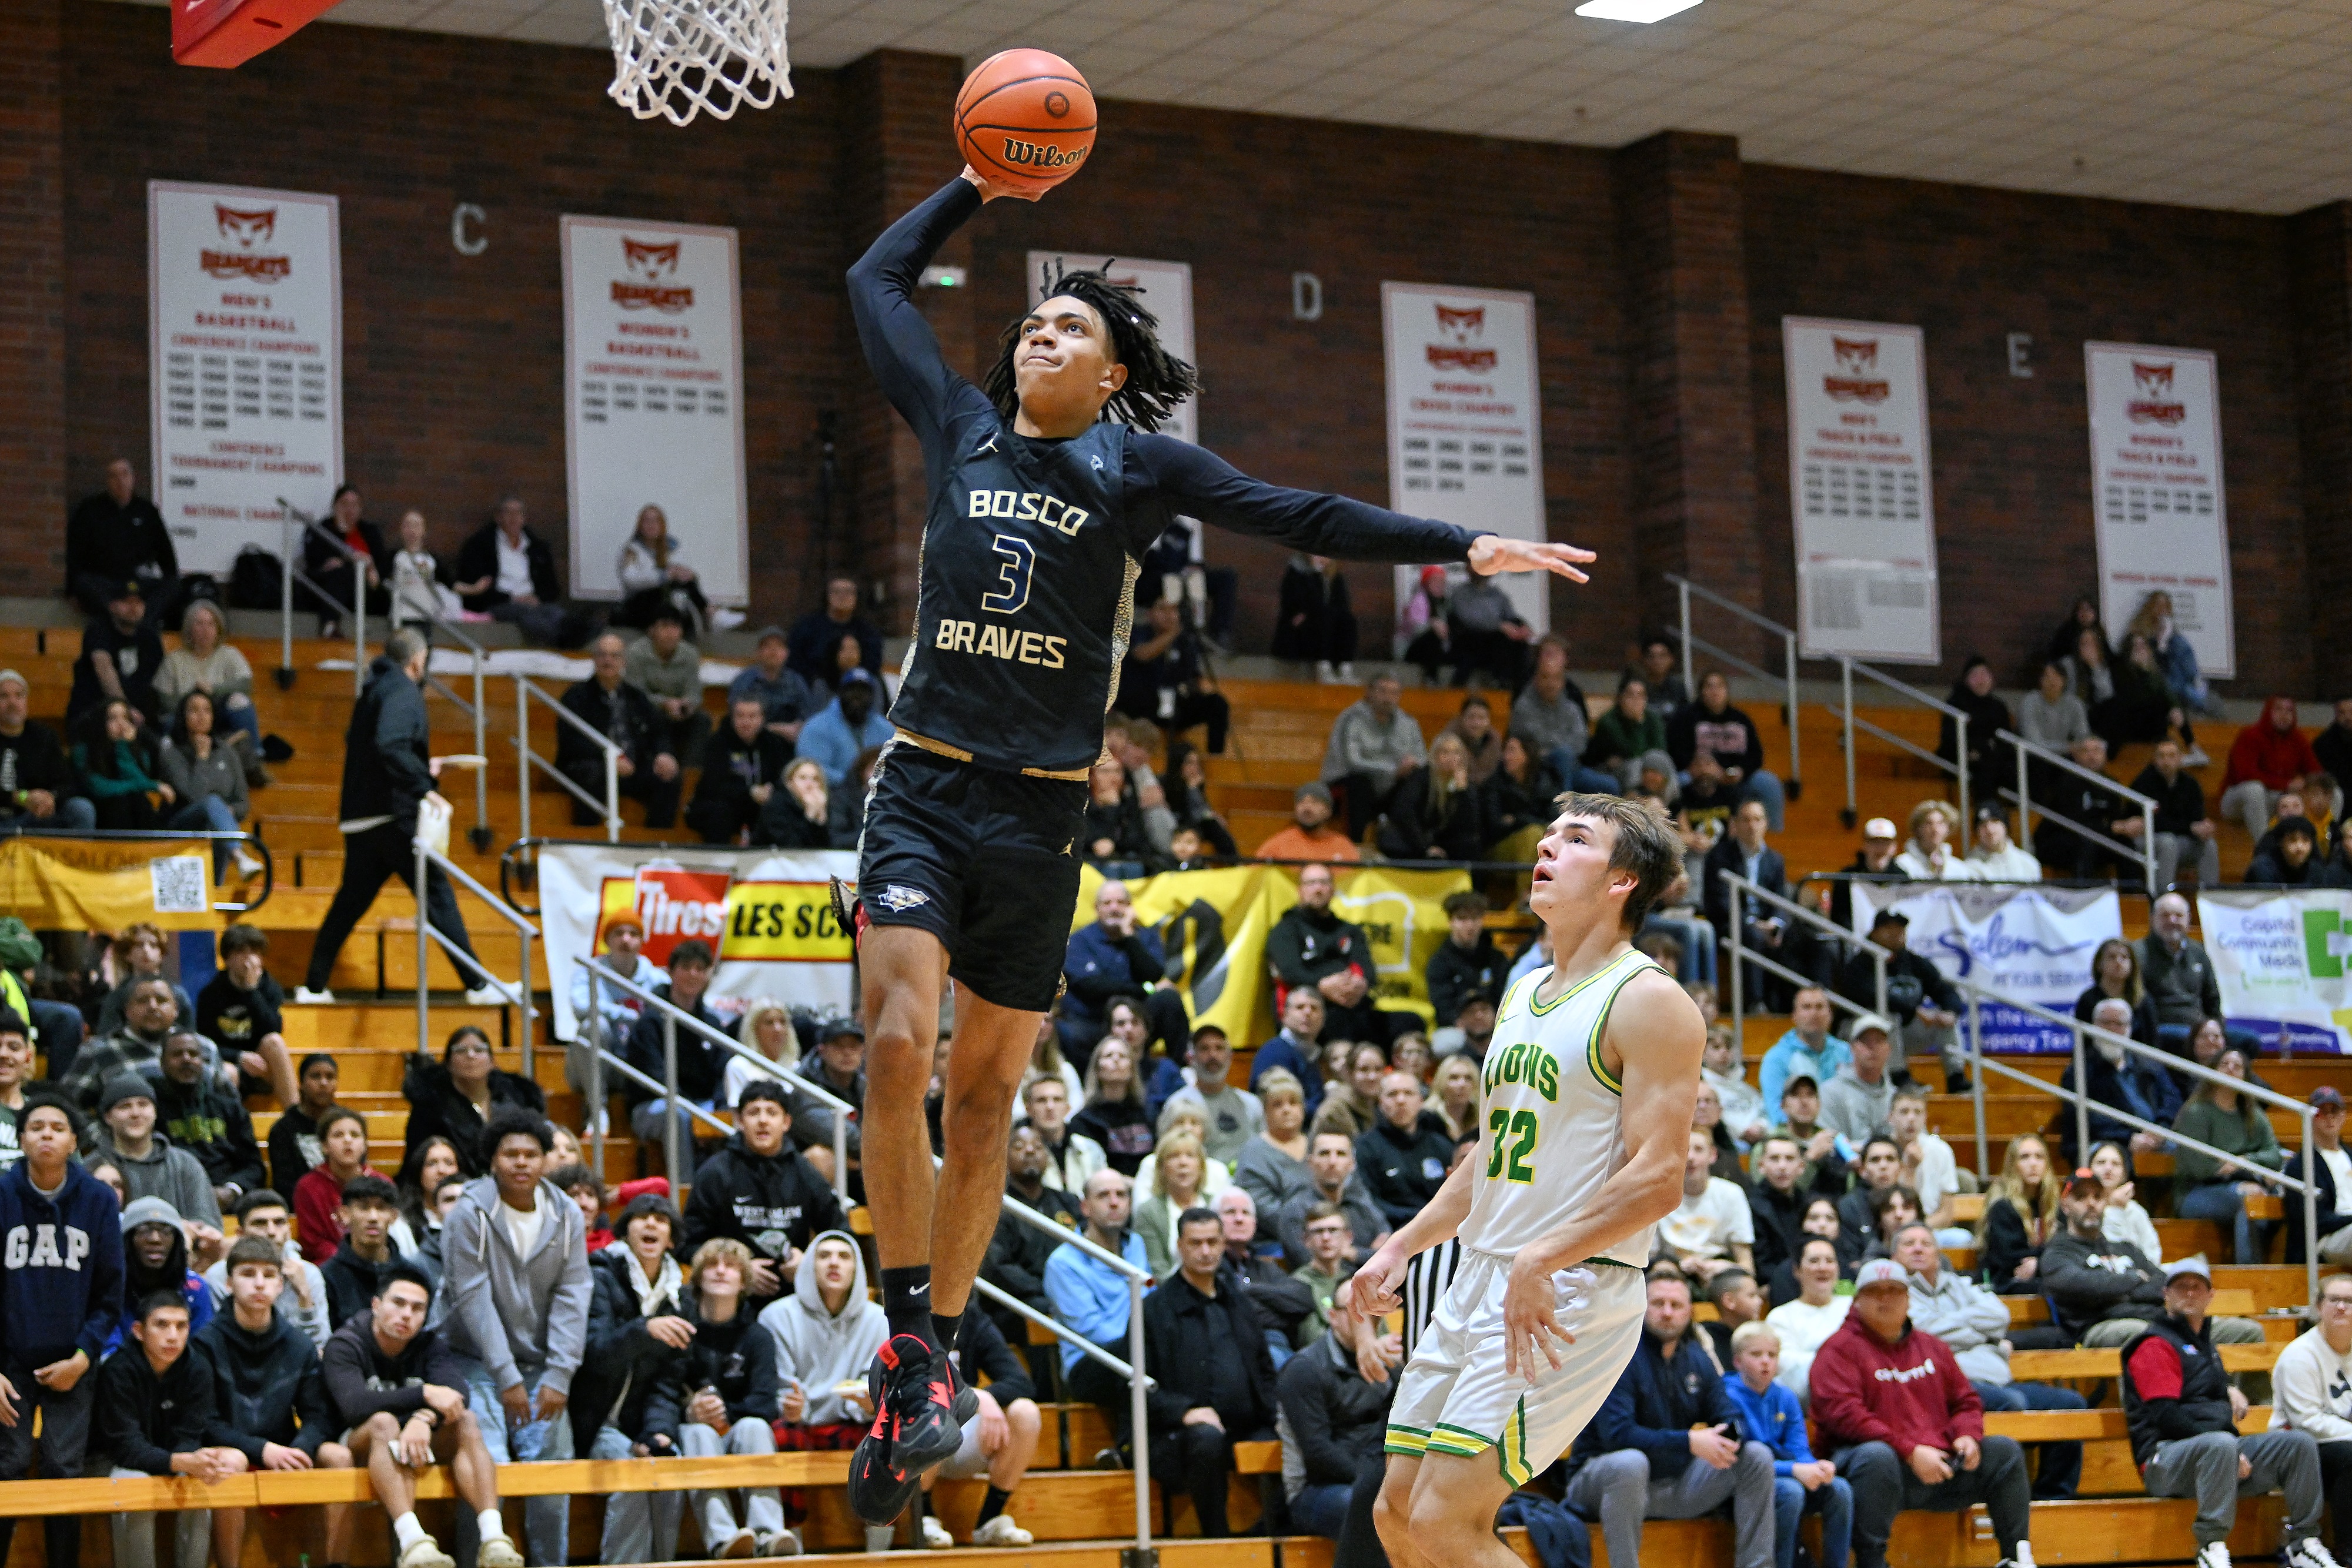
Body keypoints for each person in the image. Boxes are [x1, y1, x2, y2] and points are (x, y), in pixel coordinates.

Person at [840, 167, 1589, 1526]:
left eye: (1066, 330)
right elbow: (871, 284)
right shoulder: (957, 424)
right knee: (895, 1044)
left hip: (1044, 813)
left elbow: (1300, 512)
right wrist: (972, 183)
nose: (1035, 339)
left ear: (1113, 369)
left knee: (984, 1095)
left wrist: (1457, 546)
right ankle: (906, 1344)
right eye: (1029, 326)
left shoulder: (1134, 469)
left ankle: (937, 1351)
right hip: (928, 791)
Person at [1351, 796, 1702, 1568]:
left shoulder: (1648, 998)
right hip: (1485, 1272)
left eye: (1575, 837)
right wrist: (1402, 1244)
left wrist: (1543, 1255)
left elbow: (1658, 1176)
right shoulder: (1522, 991)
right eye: (1548, 834)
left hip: (1568, 1282)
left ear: (1622, 879)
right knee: (1398, 1511)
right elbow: (1488, 1153)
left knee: (1446, 1519)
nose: (1546, 844)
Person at [295, 630, 496, 1005]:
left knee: (349, 904)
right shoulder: (403, 691)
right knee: (437, 894)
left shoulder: (373, 690)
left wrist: (426, 766)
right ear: (418, 662)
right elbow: (390, 744)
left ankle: (314, 987)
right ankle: (479, 987)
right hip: (393, 816)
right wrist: (424, 786)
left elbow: (375, 747)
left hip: (361, 816)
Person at [1809, 1258, 2035, 1568]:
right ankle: (1871, 1562)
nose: (1886, 1298)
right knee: (1876, 1457)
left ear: (1909, 1299)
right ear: (1858, 1301)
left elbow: (1966, 1400)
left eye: (1895, 1290)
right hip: (1877, 1471)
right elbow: (1845, 1416)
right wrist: (1910, 1451)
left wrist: (1967, 1435)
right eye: (1876, 1291)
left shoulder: (1932, 1347)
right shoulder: (1837, 1351)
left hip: (1939, 1465)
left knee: (2004, 1451)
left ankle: (2016, 1557)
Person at [442, 1106, 593, 1567]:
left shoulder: (566, 1213)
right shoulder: (469, 1212)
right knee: (489, 1477)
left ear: (547, 1160)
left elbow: (575, 1292)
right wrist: (505, 1374)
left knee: (550, 1486)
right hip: (476, 1362)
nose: (522, 1162)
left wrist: (560, 1374)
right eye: (511, 1154)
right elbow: (473, 1297)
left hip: (544, 1366)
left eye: (532, 1153)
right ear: (493, 1160)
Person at [2124, 1258, 2335, 1568]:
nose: (2190, 1293)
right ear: (2165, 1294)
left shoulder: (2202, 1343)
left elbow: (2199, 1382)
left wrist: (2226, 1389)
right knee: (2221, 1444)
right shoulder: (2154, 1345)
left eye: (2198, 1287)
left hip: (2213, 1453)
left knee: (2298, 1444)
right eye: (2181, 1286)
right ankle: (2211, 1546)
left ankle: (2303, 1542)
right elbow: (2165, 1415)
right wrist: (2228, 1448)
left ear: (2211, 1296)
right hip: (2163, 1460)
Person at [1562, 1269, 1776, 1568]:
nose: (1667, 1313)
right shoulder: (1618, 1355)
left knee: (1756, 1456)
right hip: (1602, 1483)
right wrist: (1689, 1441)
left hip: (1673, 1486)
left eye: (1676, 1306)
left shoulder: (1697, 1358)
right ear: (1641, 1306)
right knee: (1629, 1464)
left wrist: (1730, 1437)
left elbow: (1731, 1417)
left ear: (1690, 1312)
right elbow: (1618, 1436)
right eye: (1658, 1303)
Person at [322, 1261, 526, 1568]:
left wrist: (424, 1418)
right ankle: (413, 1543)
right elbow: (353, 1406)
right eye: (398, 1303)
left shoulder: (430, 1345)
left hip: (418, 1439)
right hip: (360, 1443)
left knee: (467, 1420)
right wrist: (423, 1394)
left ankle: (493, 1538)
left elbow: (459, 1396)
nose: (407, 1315)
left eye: (418, 1309)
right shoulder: (346, 1343)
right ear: (377, 1305)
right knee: (383, 1422)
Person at [0, 1094, 126, 1567]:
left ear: (74, 1140)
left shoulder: (96, 1199)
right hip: (8, 1362)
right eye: (37, 1126)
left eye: (58, 1127)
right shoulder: (1, 1195)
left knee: (62, 1469)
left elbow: (111, 1292)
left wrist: (84, 1355)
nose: (47, 1134)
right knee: (7, 1467)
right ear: (22, 1137)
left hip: (73, 1359)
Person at [196, 1233, 355, 1568]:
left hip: (284, 1448)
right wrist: (263, 1450)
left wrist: (302, 1447)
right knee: (232, 1461)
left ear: (281, 1286)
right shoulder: (205, 1344)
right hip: (231, 1449)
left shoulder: (298, 1344)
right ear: (228, 1283)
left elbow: (318, 1415)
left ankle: (333, 1564)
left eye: (269, 1276)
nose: (259, 1284)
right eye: (248, 1274)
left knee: (338, 1455)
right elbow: (205, 1423)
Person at [1892, 1223, 2084, 1496]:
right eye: (1909, 1244)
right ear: (1894, 1256)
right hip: (1952, 1390)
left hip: (2000, 1380)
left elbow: (2000, 1316)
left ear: (1938, 1252)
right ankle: (1997, 1493)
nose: (1919, 1248)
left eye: (1926, 1243)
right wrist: (1981, 1334)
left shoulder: (1963, 1284)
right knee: (2012, 1403)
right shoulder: (1896, 1296)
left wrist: (1952, 1329)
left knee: (2071, 1405)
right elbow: (1925, 1336)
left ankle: (2053, 1498)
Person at [1141, 1208, 1281, 1536]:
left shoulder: (1239, 1302)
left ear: (1223, 1244)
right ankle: (1215, 1539)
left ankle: (1268, 1536)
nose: (1205, 1252)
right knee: (1206, 1440)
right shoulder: (1155, 1309)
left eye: (1212, 1242)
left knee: (1289, 1438)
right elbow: (1139, 1385)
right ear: (1180, 1246)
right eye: (1196, 1243)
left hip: (1246, 1424)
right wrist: (1185, 1411)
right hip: (1179, 1434)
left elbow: (1263, 1368)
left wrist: (1276, 1413)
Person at [570, 1191, 691, 1564]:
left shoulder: (679, 1299)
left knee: (671, 1468)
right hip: (592, 1419)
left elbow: (668, 1384)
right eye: (642, 1216)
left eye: (661, 1219)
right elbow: (594, 1356)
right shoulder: (601, 1276)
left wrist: (657, 1433)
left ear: (671, 1240)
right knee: (632, 1476)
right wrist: (644, 1330)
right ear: (625, 1233)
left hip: (637, 1422)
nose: (651, 1222)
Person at [662, 1238, 796, 1557]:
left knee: (754, 1427)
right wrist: (690, 1411)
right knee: (698, 1432)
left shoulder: (757, 1336)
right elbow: (663, 1392)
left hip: (739, 1430)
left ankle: (768, 1534)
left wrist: (724, 1412)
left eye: (732, 1266)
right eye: (712, 1265)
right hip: (694, 1436)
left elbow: (765, 1402)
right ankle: (723, 1539)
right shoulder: (682, 1330)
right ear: (697, 1277)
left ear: (744, 1281)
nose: (721, 1272)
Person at [95, 1289, 247, 1568]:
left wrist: (191, 1461)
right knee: (136, 1485)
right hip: (115, 1462)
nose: (173, 1336)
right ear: (139, 1331)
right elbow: (126, 1448)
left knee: (201, 1482)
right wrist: (181, 1461)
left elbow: (190, 1435)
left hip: (171, 1455)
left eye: (181, 1326)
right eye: (162, 1325)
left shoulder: (198, 1367)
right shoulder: (117, 1370)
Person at [2038, 1165, 2267, 1350]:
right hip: (2103, 1328)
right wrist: (2135, 1279)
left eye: (2098, 1197)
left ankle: (2254, 1406)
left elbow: (2164, 1284)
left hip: (2160, 1320)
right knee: (2146, 1336)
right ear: (2065, 1205)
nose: (2091, 1203)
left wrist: (2119, 1290)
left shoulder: (2125, 1248)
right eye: (2081, 1197)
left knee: (2247, 1331)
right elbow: (2081, 1285)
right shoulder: (2057, 1253)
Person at [679, 1079, 845, 1310]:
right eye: (754, 1112)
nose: (763, 1121)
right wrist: (738, 1268)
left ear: (786, 1122)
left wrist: (809, 1263)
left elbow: (840, 1234)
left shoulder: (805, 1172)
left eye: (772, 1112)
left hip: (795, 1300)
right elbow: (688, 1244)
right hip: (730, 1301)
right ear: (739, 1120)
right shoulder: (715, 1173)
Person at [1722, 1320, 1853, 1568]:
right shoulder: (1726, 1396)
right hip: (1744, 1483)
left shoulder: (1785, 1396)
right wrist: (1794, 1470)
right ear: (1738, 1361)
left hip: (1787, 1473)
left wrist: (1815, 1468)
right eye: (1756, 1354)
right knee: (1789, 1493)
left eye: (1772, 1355)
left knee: (1839, 1489)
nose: (1766, 1361)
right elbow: (1743, 1459)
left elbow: (1800, 1448)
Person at [756, 1231, 886, 1479]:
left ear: (857, 1268)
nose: (834, 1262)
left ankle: (881, 1517)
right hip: (796, 1422)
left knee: (892, 1434)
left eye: (844, 1256)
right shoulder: (776, 1316)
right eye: (824, 1256)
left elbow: (871, 1384)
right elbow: (780, 1386)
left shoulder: (879, 1319)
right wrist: (792, 1408)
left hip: (853, 1420)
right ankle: (790, 1518)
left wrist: (868, 1408)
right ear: (808, 1266)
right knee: (776, 1432)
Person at [1277, 1289, 1394, 1537]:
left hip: (1377, 1481)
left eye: (1372, 1312)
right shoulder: (1304, 1369)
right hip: (1317, 1489)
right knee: (1361, 1507)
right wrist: (1373, 1485)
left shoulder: (1391, 1366)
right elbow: (1317, 1450)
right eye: (1355, 1310)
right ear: (1333, 1316)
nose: (1365, 1320)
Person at [558, 631, 681, 831]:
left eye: (614, 655)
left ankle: (658, 842)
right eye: (602, 655)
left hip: (632, 768)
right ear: (594, 659)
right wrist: (609, 758)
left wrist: (664, 754)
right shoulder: (576, 696)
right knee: (592, 774)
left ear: (624, 661)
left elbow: (659, 731)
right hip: (593, 766)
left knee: (669, 776)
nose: (608, 661)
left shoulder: (636, 697)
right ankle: (588, 840)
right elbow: (570, 741)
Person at [1271, 862, 1406, 1045]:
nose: (1318, 889)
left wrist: (1359, 985)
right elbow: (1290, 972)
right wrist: (1322, 985)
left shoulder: (1350, 930)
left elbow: (1369, 972)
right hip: (1312, 1010)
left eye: (1324, 883)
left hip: (1354, 1004)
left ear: (1333, 890)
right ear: (1300, 890)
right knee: (1342, 1024)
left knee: (1410, 1022)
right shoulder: (1285, 929)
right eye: (1311, 883)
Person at [2174, 1046, 2284, 1265]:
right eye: (2225, 1064)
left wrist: (2242, 1162)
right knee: (2249, 1198)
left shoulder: (2253, 1114)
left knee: (2281, 1199)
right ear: (2213, 1070)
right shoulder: (2196, 1113)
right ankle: (2249, 1274)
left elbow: (2275, 1155)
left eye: (2238, 1066)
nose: (2231, 1069)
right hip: (2195, 1193)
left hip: (2244, 1184)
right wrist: (2241, 1171)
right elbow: (2201, 1168)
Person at [622, 938, 731, 1156]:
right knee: (677, 1115)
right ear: (671, 972)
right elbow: (656, 1078)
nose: (693, 974)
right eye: (686, 967)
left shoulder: (712, 1023)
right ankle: (684, 1187)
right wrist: (694, 1112)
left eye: (700, 969)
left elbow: (723, 1072)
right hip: (654, 1105)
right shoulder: (650, 1021)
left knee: (733, 1118)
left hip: (702, 1104)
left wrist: (721, 1109)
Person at [2271, 1272, 2352, 1563]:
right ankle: (2348, 1554)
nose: (2342, 1307)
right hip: (2297, 1450)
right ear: (2320, 1307)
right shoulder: (2299, 1356)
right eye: (2335, 1300)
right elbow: (2307, 1421)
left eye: (2349, 1301)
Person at [1836, 913, 1965, 1092]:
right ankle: (1900, 1078)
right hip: (1856, 1031)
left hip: (1902, 1032)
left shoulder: (1913, 962)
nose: (1896, 934)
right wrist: (1914, 1010)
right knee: (1887, 1017)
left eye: (1900, 930)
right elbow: (1870, 996)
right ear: (1875, 933)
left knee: (1945, 1021)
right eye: (1889, 929)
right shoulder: (1860, 963)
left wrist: (1950, 1011)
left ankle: (1956, 1079)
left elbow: (1944, 989)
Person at [1060, 879, 1187, 1060]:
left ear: (1130, 907)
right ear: (1097, 908)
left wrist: (1129, 936)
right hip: (1093, 1020)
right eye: (1108, 903)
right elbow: (1092, 987)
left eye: (1121, 903)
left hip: (1137, 1019)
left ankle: (1180, 1071)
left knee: (1169, 1000)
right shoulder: (1080, 940)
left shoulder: (1145, 936)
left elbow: (1153, 974)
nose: (1115, 908)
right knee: (1067, 1032)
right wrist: (1145, 989)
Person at [89, 1071, 224, 1232]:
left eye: (143, 1104)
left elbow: (208, 1223)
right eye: (125, 1106)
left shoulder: (185, 1164)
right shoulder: (91, 1167)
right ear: (108, 1117)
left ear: (155, 1112)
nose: (135, 1113)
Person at [402, 1025, 546, 1176]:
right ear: (448, 1063)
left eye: (479, 1050)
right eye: (461, 1050)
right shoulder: (430, 1106)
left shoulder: (517, 1100)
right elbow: (419, 1157)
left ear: (492, 1061)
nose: (471, 1056)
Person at [203, 1188, 330, 1350]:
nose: (271, 1232)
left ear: (289, 1231)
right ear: (240, 1233)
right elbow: (215, 1343)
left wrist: (305, 1297)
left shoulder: (309, 1274)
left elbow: (320, 1347)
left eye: (279, 1223)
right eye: (260, 1223)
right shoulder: (219, 1275)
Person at [153, 1028, 263, 1214]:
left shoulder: (230, 1107)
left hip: (228, 1197)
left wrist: (231, 1190)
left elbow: (253, 1166)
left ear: (203, 1062)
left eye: (194, 1054)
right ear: (163, 1064)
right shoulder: (152, 1109)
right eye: (177, 1054)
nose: (186, 1059)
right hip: (174, 1198)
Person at [1703, 800, 1801, 1009]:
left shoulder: (1775, 860)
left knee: (1799, 938)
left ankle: (1790, 1006)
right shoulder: (1719, 856)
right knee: (1752, 937)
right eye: (1746, 820)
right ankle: (1755, 1003)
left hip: (1766, 924)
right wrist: (1752, 923)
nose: (1752, 826)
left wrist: (1776, 924)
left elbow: (1781, 900)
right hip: (1731, 924)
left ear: (1766, 824)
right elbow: (1720, 902)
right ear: (1735, 824)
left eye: (1757, 820)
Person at [2059, 997, 2179, 1159]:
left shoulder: (2148, 1063)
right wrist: (2128, 1137)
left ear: (2129, 1028)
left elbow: (2172, 1099)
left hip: (2155, 1138)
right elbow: (2088, 1118)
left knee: (2190, 1153)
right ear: (2094, 1025)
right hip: (2107, 1140)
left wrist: (2160, 1129)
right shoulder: (2079, 1070)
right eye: (2106, 1023)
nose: (2112, 1030)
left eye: (2119, 1024)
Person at [1671, 670, 1786, 831]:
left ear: (1727, 691)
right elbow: (1676, 750)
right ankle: (1676, 833)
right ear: (1701, 691)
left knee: (1768, 782)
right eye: (1709, 686)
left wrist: (1741, 771)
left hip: (1735, 775)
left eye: (1720, 686)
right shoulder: (1686, 717)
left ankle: (1770, 838)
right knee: (1676, 782)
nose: (1715, 691)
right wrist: (1702, 768)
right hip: (1698, 773)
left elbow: (1756, 755)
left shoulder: (1741, 719)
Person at [195, 924, 295, 1107]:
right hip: (232, 1063)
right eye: (241, 952)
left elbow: (273, 1028)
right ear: (228, 958)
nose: (249, 959)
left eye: (255, 952)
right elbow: (205, 1042)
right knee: (228, 1071)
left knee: (274, 1042)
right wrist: (239, 1056)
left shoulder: (269, 987)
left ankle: (295, 1118)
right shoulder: (211, 993)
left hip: (263, 1065)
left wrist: (251, 992)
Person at [154, 600, 262, 765]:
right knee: (168, 721)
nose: (206, 630)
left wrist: (214, 689)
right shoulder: (174, 660)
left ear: (218, 629)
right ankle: (171, 764)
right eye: (199, 624)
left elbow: (245, 685)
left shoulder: (230, 655)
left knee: (240, 702)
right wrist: (193, 701)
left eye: (211, 624)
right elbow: (164, 699)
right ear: (189, 629)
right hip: (185, 716)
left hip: (218, 716)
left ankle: (255, 755)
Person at [68, 457, 178, 619]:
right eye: (114, 476)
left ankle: (142, 615)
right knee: (83, 583)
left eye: (124, 474)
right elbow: (75, 554)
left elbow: (166, 556)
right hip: (106, 584)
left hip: (139, 584)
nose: (120, 481)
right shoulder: (90, 511)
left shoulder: (147, 512)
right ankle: (119, 612)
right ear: (107, 481)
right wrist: (71, 591)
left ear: (133, 478)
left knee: (174, 586)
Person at [1321, 674, 1428, 840]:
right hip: (1346, 787)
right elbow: (1352, 762)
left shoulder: (1408, 723)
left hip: (1389, 789)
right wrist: (1393, 770)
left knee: (1417, 781)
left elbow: (1422, 758)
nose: (1388, 698)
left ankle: (1410, 846)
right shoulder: (1351, 719)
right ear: (1369, 692)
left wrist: (1412, 765)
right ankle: (1354, 843)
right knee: (1359, 783)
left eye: (1394, 693)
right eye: (1383, 691)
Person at [1118, 596, 1230, 753]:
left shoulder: (1186, 640)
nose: (1169, 615)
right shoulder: (1138, 633)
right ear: (1150, 613)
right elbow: (1142, 655)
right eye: (1163, 609)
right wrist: (1172, 634)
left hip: (1175, 701)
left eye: (1174, 610)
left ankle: (1216, 756)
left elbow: (1194, 675)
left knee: (1217, 703)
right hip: (1144, 704)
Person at [452, 494, 566, 644]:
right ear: (498, 517)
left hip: (535, 603)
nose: (514, 518)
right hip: (501, 603)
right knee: (527, 616)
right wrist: (512, 599)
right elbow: (475, 586)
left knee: (557, 613)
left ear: (524, 518)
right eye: (509, 513)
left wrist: (537, 598)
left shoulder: (537, 548)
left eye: (518, 513)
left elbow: (552, 586)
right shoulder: (480, 546)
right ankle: (561, 642)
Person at [687, 696, 794, 844]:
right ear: (732, 718)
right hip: (720, 806)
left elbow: (785, 778)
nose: (746, 722)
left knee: (782, 810)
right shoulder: (717, 743)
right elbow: (714, 786)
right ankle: (720, 861)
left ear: (763, 719)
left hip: (759, 807)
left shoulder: (774, 744)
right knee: (720, 812)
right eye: (740, 716)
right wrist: (750, 792)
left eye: (752, 717)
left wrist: (771, 791)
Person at [0, 667, 95, 831]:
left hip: (39, 814)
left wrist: (51, 798)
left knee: (81, 809)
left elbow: (66, 782)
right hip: (4, 819)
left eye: (19, 696)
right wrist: (21, 798)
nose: (12, 703)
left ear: (26, 701)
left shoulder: (45, 736)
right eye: (4, 696)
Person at [1659, 1126, 1756, 1286]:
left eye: (1699, 1150)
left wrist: (1724, 1267)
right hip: (1673, 1270)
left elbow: (1747, 1266)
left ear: (1713, 1155)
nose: (1691, 1157)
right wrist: (1679, 1265)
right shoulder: (1659, 1195)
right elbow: (1649, 1259)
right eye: (1685, 1149)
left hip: (1719, 1269)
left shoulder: (1732, 1194)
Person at [1277, 1129, 1388, 1268]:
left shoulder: (1362, 1203)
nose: (1333, 1161)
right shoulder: (1295, 1211)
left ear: (1352, 1164)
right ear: (1310, 1162)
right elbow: (1315, 1266)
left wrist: (1353, 1253)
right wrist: (1368, 1256)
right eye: (1324, 1154)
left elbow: (1387, 1252)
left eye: (1341, 1154)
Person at [1355, 1071, 1452, 1229]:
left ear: (1421, 1101)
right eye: (1392, 1094)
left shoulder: (1441, 1145)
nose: (1401, 1100)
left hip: (1440, 1229)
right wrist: (1417, 1219)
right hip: (1393, 1230)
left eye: (1408, 1093)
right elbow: (1371, 1201)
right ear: (1381, 1103)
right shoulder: (1366, 1147)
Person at [2220, 695, 2322, 843]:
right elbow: (2245, 775)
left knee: (2331, 792)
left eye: (2289, 711)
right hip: (2237, 799)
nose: (2284, 715)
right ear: (2268, 712)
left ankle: (2323, 850)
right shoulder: (2250, 736)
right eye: (2279, 710)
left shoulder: (2298, 739)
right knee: (2254, 789)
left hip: (2276, 798)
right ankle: (2265, 848)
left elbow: (2316, 773)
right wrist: (2286, 784)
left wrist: (2305, 782)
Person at [1159, 1027, 1265, 1166]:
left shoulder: (1251, 1103)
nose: (1213, 1055)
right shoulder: (1177, 1105)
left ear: (1230, 1057)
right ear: (1191, 1058)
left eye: (1219, 1048)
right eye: (1204, 1049)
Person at [292, 1108, 385, 1264]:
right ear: (324, 1146)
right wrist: (348, 1260)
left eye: (355, 1135)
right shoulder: (308, 1186)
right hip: (329, 1266)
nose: (348, 1140)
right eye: (338, 1135)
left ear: (364, 1145)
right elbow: (314, 1242)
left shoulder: (381, 1183)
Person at [1377, 731, 1488, 861]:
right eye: (1445, 752)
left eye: (1456, 753)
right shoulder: (1421, 777)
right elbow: (1404, 814)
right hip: (1416, 839)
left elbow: (1471, 827)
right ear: (1435, 756)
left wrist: (1463, 793)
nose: (1451, 758)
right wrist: (1425, 847)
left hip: (1444, 840)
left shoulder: (1466, 785)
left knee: (1471, 846)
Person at [319, 1174, 409, 1332]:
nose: (373, 1217)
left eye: (381, 1208)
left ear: (394, 1217)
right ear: (345, 1214)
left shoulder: (411, 1274)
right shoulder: (327, 1277)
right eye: (364, 1207)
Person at [1762, 1237, 1850, 1399]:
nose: (1823, 1268)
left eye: (1830, 1261)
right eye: (1814, 1261)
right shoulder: (1781, 1317)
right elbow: (1788, 1369)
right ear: (1797, 1270)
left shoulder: (1854, 1308)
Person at [69, 583, 166, 728]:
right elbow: (104, 670)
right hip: (96, 713)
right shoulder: (98, 630)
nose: (133, 608)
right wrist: (125, 710)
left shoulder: (150, 636)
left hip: (138, 717)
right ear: (112, 605)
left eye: (138, 602)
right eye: (126, 602)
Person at [624, 609, 711, 765]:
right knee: (652, 719)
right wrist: (664, 703)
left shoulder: (690, 654)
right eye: (665, 627)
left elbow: (695, 690)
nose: (671, 633)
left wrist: (688, 704)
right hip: (647, 711)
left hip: (680, 711)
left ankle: (691, 771)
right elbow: (635, 692)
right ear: (652, 631)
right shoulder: (636, 653)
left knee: (703, 720)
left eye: (675, 628)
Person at [2133, 737, 2222, 888]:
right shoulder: (2143, 783)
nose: (2166, 761)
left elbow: (2196, 817)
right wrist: (2190, 827)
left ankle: (2210, 896)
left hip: (2179, 839)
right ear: (2154, 759)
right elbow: (2152, 823)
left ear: (2181, 758)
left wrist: (2203, 828)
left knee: (2209, 844)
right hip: (2147, 839)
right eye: (2161, 756)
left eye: (2172, 756)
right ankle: (2162, 899)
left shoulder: (2191, 784)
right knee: (2168, 842)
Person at [1978, 1133, 2061, 1295]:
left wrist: (2039, 1263)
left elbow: (2066, 1244)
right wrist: (2047, 1258)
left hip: (2043, 1275)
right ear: (2013, 1165)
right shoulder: (2003, 1208)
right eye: (2024, 1157)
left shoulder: (2054, 1206)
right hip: (2008, 1281)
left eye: (2039, 1157)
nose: (2033, 1164)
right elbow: (2009, 1257)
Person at [613, 503, 712, 635]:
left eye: (656, 521)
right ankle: (709, 612)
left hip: (666, 599)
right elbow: (630, 579)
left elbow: (679, 569)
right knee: (661, 593)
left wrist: (683, 573)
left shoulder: (670, 547)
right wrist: (663, 576)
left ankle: (710, 612)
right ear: (640, 525)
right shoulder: (632, 550)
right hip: (640, 602)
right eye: (647, 521)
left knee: (688, 581)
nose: (651, 525)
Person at [72, 698, 171, 830]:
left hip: (132, 812)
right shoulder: (84, 751)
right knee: (119, 802)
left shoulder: (139, 751)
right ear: (101, 722)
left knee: (140, 801)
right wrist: (154, 785)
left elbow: (141, 787)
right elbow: (100, 788)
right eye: (113, 718)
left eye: (125, 718)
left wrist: (123, 746)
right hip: (99, 809)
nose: (121, 724)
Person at [1756, 987, 1850, 1121]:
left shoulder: (1846, 1052)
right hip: (1799, 1136)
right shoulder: (1776, 1058)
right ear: (1794, 1016)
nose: (1814, 1013)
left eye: (1820, 1007)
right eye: (1806, 1007)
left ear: (1830, 1015)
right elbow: (1775, 1113)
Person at [786, 575, 884, 690]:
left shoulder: (868, 631)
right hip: (815, 687)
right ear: (827, 596)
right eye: (836, 592)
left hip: (858, 686)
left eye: (848, 592)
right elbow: (796, 663)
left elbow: (873, 664)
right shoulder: (806, 627)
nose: (842, 596)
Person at [1818, 1014, 1902, 1147]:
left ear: (1889, 1049)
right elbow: (1828, 1143)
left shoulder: (1897, 1097)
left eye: (1879, 1041)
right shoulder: (1830, 1092)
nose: (1872, 1048)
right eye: (1865, 1042)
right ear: (1852, 1048)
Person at [1937, 656, 2013, 803]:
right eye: (1976, 675)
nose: (1981, 680)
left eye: (1985, 674)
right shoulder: (1955, 704)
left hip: (1991, 756)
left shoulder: (1998, 706)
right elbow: (1950, 739)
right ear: (1966, 679)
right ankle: (1985, 810)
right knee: (1985, 767)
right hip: (1960, 757)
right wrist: (1972, 750)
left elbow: (2006, 738)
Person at [1274, 554, 1359, 679]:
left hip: (1330, 620)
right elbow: (1303, 602)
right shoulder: (1297, 574)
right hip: (1307, 623)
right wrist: (1316, 573)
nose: (1322, 559)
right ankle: (1323, 666)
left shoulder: (1336, 577)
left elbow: (1342, 603)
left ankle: (1345, 666)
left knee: (1348, 621)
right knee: (1324, 618)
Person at [1021, 1072, 1106, 1196]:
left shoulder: (1090, 1149)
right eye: (1041, 1100)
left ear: (1067, 1108)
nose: (1050, 1107)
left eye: (1057, 1100)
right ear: (1028, 1109)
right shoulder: (1020, 1153)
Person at [270, 1052, 339, 1202]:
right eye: (315, 1077)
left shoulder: (346, 1123)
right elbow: (284, 1184)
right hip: (301, 1204)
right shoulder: (283, 1129)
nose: (323, 1083)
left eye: (330, 1077)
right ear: (301, 1083)